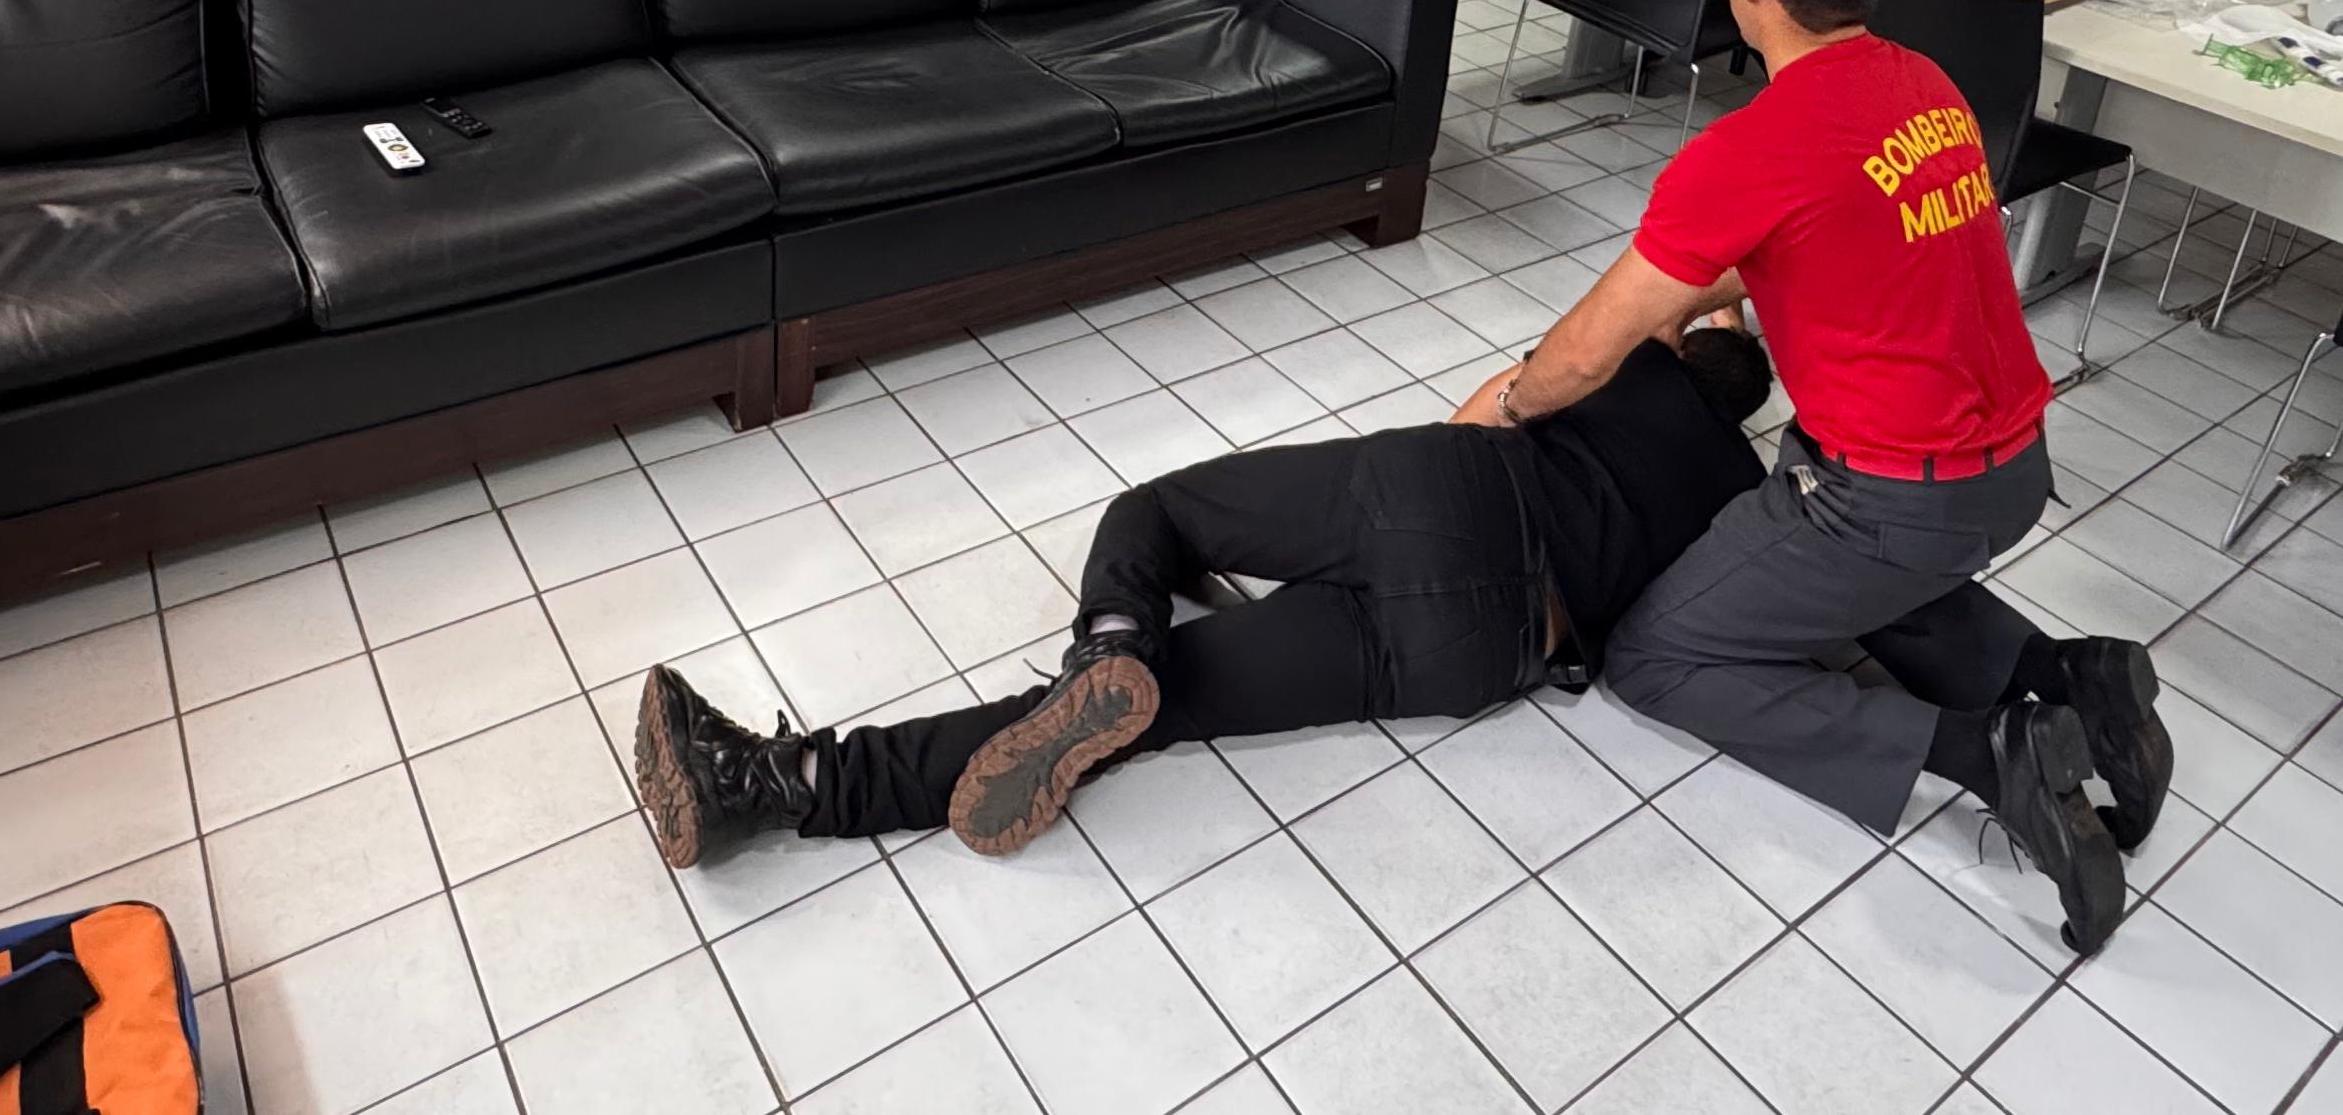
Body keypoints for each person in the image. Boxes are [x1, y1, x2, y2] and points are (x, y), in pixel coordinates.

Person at [1467, 0, 2171, 955]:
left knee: (1657, 657)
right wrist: (1696, 291)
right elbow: (1834, 235)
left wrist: (1510, 404)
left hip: (1890, 496)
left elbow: (1592, 344)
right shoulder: (1922, 85)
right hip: (2013, 467)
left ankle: (1988, 754)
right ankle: (2071, 675)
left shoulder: (1747, 150)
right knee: (1847, 585)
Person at [634, 327, 1775, 864]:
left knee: (1158, 514)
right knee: (1162, 709)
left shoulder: (1641, 359)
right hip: (1492, 646)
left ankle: (1111, 645)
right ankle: (782, 789)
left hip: (1453, 495)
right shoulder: (1739, 491)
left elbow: (1519, 388)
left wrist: (1689, 320)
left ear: (1694, 349)